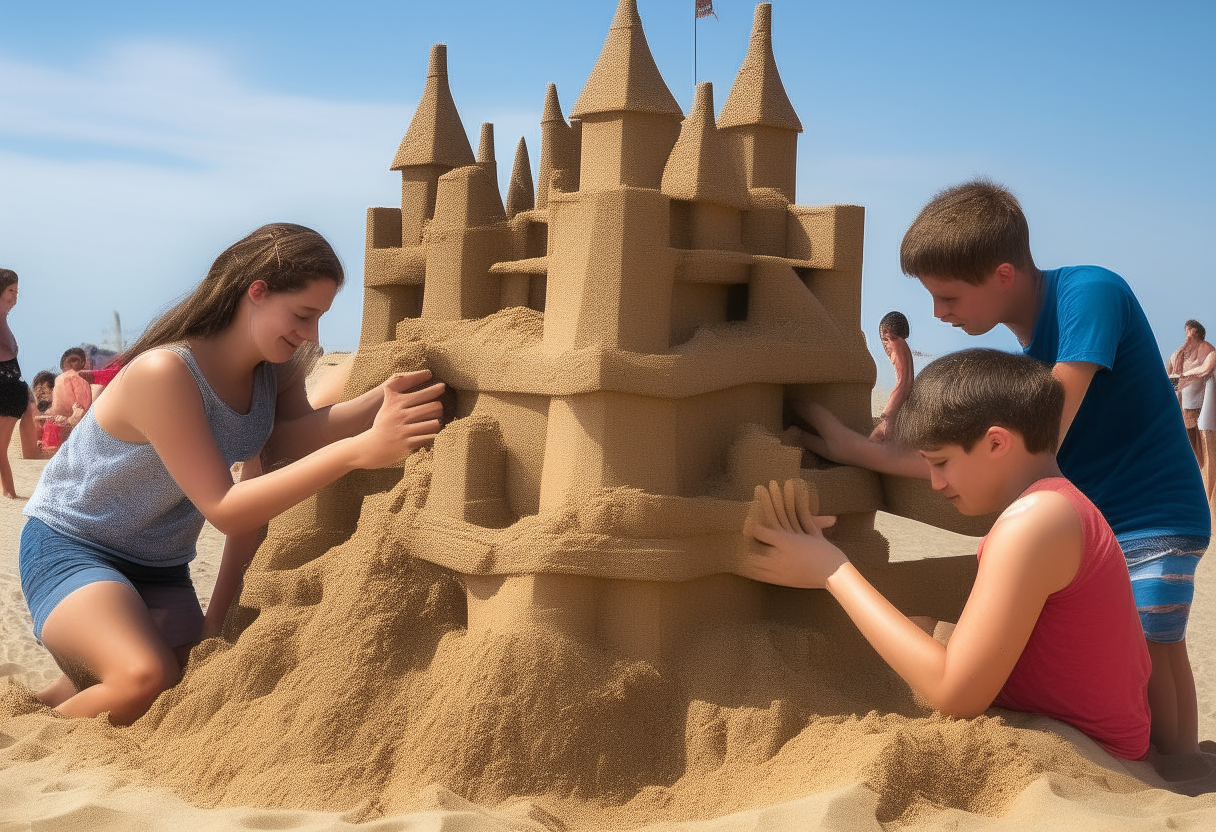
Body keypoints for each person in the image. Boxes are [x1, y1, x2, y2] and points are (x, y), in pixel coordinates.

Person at [794, 179, 1209, 755]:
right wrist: (865, 449)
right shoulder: (1025, 354)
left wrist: (865, 454)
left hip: (1151, 511)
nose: (938, 314)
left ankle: (1181, 772)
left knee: (1155, 643)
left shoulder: (1088, 295)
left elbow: (1039, 434)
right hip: (1095, 519)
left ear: (1003, 275)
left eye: (950, 298)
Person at [19, 223, 447, 726]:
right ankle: (29, 748)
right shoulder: (166, 373)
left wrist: (380, 398)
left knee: (179, 678)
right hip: (74, 545)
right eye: (303, 315)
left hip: (160, 566)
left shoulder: (275, 365)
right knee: (144, 678)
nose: (311, 334)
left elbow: (287, 437)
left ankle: (42, 704)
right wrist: (360, 450)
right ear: (257, 292)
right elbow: (226, 509)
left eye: (319, 318)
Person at [743, 349, 1151, 760]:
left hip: (1093, 753)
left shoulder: (1035, 522)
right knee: (923, 627)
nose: (935, 483)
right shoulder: (1059, 505)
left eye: (940, 463)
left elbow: (955, 693)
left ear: (996, 442)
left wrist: (830, 568)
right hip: (1086, 730)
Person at [0, 268, 31, 498]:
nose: (16, 296)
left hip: (9, 391)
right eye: (11, 290)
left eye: (17, 291)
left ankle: (9, 492)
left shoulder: (4, 320)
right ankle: (9, 493)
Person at [1169, 320, 1216, 461]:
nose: (1188, 337)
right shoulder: (1180, 354)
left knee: (1206, 446)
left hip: (1204, 407)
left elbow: (1205, 369)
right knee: (1191, 448)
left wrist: (1187, 374)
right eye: (1187, 333)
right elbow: (1171, 378)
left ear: (1198, 334)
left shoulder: (1209, 351)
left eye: (1191, 334)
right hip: (1186, 409)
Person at [870, 311, 914, 442]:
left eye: (884, 339)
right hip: (901, 406)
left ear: (890, 335)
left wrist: (889, 411)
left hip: (896, 407)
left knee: (878, 443)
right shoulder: (903, 347)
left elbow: (903, 381)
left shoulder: (897, 346)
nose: (885, 345)